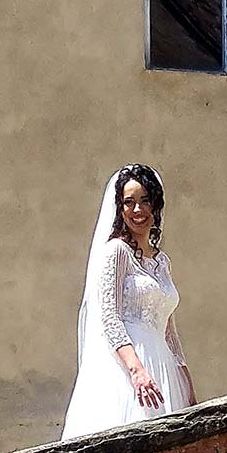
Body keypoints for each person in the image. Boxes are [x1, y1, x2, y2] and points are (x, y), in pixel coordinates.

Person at [61, 164, 196, 439]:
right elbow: (109, 317)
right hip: (128, 366)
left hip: (164, 368)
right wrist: (137, 372)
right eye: (129, 203)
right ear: (120, 210)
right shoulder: (116, 253)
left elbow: (168, 328)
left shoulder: (162, 261)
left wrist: (186, 381)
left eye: (144, 200)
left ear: (155, 205)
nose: (137, 210)